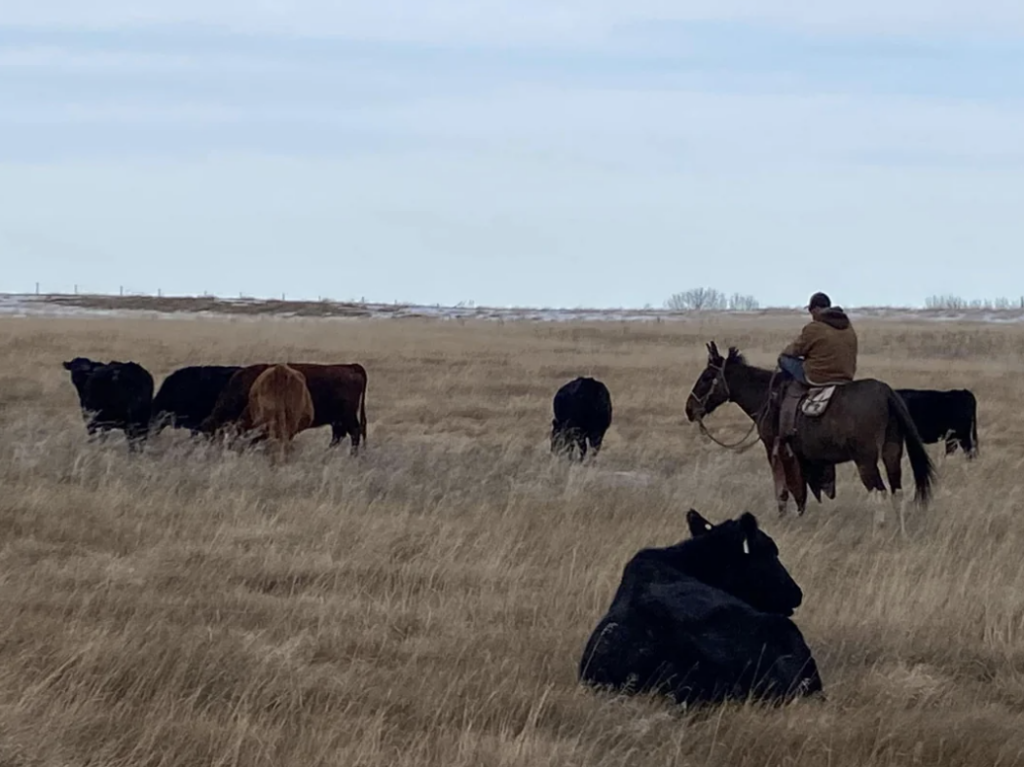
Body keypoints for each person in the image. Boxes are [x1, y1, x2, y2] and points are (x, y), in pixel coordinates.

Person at [775, 292, 858, 443]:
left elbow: (794, 350)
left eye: (811, 311)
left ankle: (789, 417)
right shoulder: (847, 325)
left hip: (818, 376)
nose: (811, 315)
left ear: (816, 309)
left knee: (784, 359)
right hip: (846, 375)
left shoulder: (815, 327)